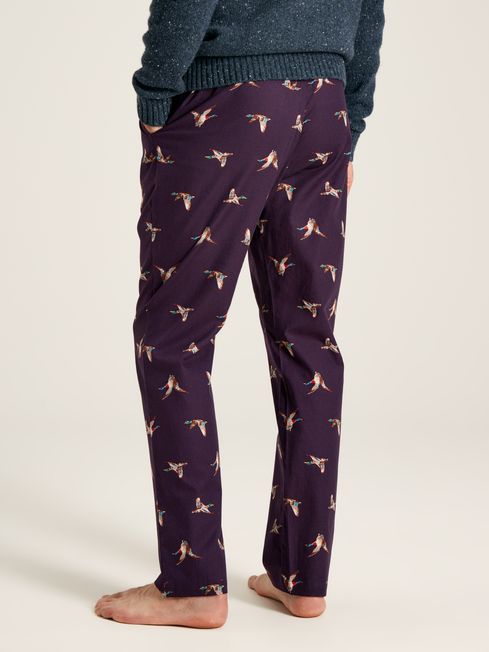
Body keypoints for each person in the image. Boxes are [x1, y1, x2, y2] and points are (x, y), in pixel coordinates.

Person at [95, 0, 385, 628]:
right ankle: (301, 577)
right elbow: (369, 12)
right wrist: (350, 118)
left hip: (229, 102)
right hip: (325, 106)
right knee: (308, 340)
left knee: (173, 337)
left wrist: (155, 96)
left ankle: (193, 583)